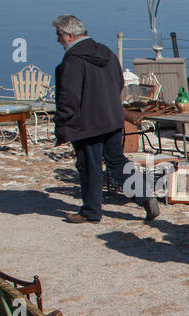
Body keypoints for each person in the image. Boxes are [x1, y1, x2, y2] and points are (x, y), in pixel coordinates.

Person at [51, 15, 151, 224]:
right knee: (117, 161)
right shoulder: (105, 51)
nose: (58, 40)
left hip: (87, 124)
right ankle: (145, 196)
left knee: (90, 166)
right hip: (112, 118)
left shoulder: (73, 60)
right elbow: (119, 82)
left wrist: (61, 122)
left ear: (69, 35)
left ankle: (91, 211)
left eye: (59, 36)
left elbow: (68, 98)